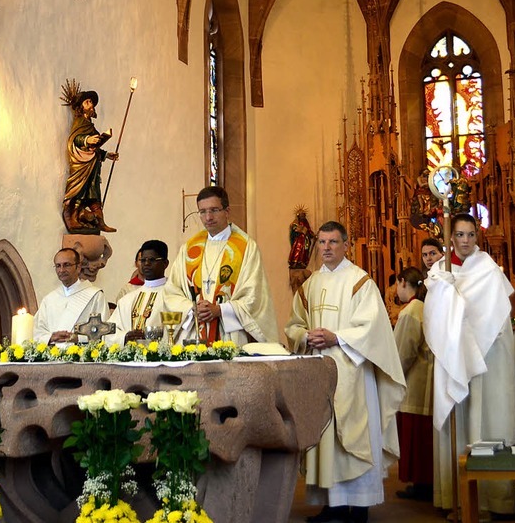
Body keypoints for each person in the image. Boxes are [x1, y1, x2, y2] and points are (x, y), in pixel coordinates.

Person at [285, 221, 406, 523]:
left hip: (352, 372)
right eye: (322, 243)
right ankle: (332, 505)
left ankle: (359, 508)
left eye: (333, 242)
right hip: (320, 373)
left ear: (346, 245)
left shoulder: (360, 282)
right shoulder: (310, 284)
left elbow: (373, 329)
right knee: (325, 441)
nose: (326, 248)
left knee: (353, 439)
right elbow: (294, 325)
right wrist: (305, 336)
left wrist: (336, 337)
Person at [423, 213, 515, 515]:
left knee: (487, 419)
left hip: (486, 357)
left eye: (471, 235)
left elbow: (499, 315)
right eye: (460, 235)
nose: (465, 241)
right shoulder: (440, 270)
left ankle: (492, 499)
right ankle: (458, 498)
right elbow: (433, 318)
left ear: (478, 237)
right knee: (458, 424)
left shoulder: (488, 269)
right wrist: (444, 291)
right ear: (451, 238)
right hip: (454, 356)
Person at [164, 186, 278, 345]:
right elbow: (172, 291)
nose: (208, 217)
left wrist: (220, 310)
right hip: (194, 332)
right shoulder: (189, 249)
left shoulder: (246, 247)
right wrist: (192, 308)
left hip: (229, 335)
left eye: (214, 210)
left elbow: (255, 297)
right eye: (202, 212)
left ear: (227, 211)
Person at [394, 266, 433, 502]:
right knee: (423, 438)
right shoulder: (424, 308)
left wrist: (393, 374)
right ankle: (425, 483)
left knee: (416, 437)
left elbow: (404, 351)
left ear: (402, 282)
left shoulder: (411, 311)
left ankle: (421, 485)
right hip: (426, 380)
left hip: (415, 382)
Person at [62, 88, 118, 233]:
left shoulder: (90, 125)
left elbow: (95, 147)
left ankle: (100, 222)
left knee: (93, 192)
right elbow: (75, 139)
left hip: (92, 165)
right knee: (81, 191)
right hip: (82, 165)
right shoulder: (80, 122)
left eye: (92, 102)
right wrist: (87, 139)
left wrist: (106, 155)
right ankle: (74, 218)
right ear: (81, 106)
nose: (91, 105)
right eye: (88, 102)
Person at [33, 247, 109, 344]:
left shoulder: (95, 296)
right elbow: (36, 331)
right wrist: (51, 337)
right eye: (58, 266)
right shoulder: (49, 299)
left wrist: (78, 338)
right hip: (51, 357)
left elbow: (104, 332)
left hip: (82, 355)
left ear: (78, 267)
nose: (61, 270)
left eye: (66, 265)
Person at [107, 240, 169, 345]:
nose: (146, 264)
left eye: (152, 260)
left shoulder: (174, 295)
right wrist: (125, 337)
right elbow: (110, 332)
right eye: (143, 260)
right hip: (131, 358)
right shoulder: (127, 299)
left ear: (165, 263)